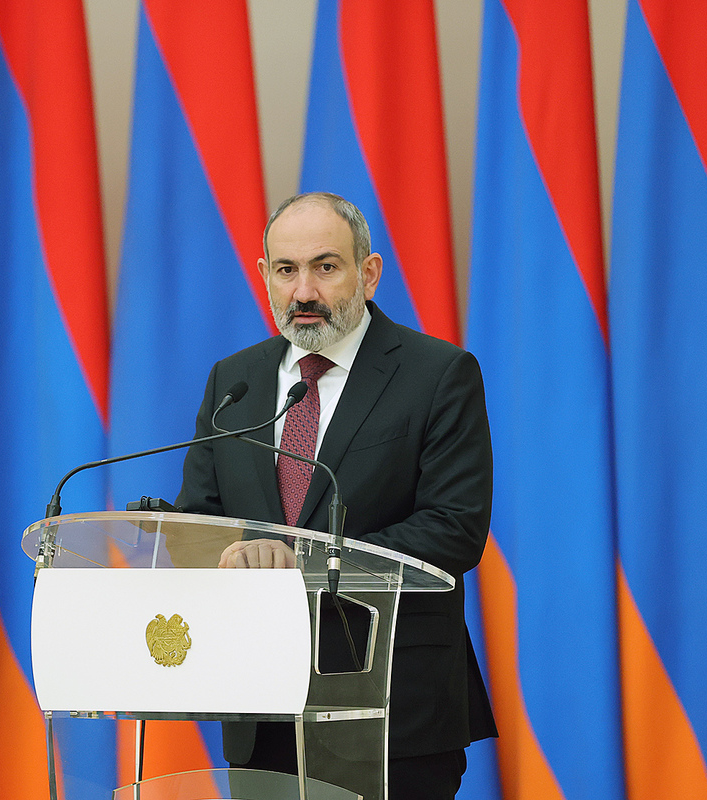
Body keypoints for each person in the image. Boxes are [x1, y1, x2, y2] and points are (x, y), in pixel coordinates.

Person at [176, 192, 497, 798]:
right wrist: (231, 554)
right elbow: (199, 522)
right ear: (264, 275)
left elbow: (453, 529)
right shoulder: (233, 381)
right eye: (286, 269)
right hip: (260, 709)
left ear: (368, 273)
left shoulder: (437, 374)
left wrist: (300, 561)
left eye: (325, 267)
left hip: (393, 711)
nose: (303, 291)